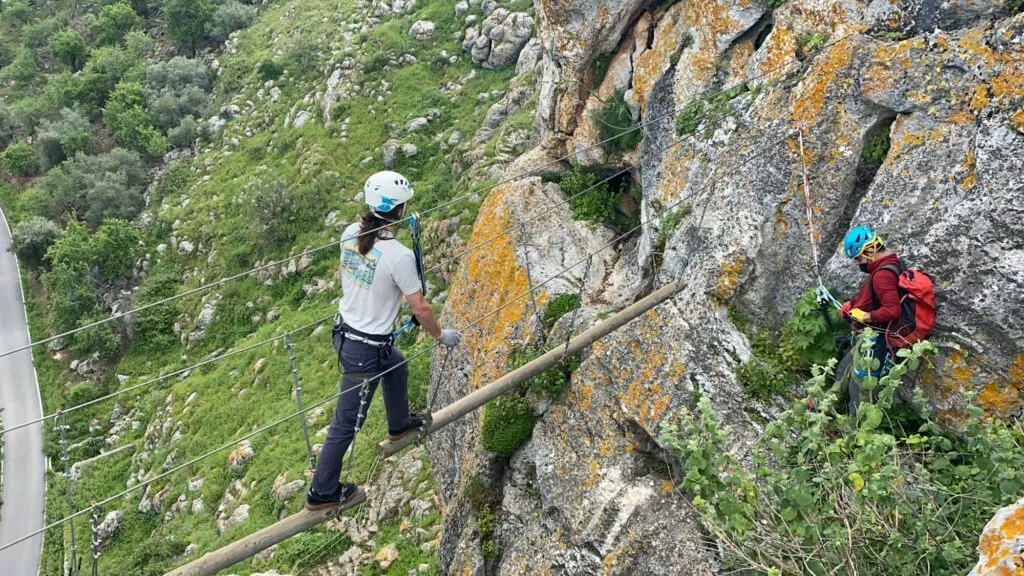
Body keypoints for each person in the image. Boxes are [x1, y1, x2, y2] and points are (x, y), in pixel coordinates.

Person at [306, 170, 461, 510]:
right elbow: (420, 308)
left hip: (347, 332)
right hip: (365, 348)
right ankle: (322, 492)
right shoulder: (399, 256)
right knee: (347, 423)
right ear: (400, 210)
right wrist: (440, 335)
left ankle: (399, 424)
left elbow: (342, 274)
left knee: (397, 364)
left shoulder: (350, 233)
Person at [834, 225, 902, 418]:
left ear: (870, 250)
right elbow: (872, 297)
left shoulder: (882, 275)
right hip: (868, 335)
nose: (859, 263)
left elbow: (892, 309)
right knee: (844, 368)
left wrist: (864, 316)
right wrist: (852, 305)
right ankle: (823, 405)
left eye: (859, 258)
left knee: (859, 388)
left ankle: (856, 433)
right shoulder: (885, 267)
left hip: (875, 339)